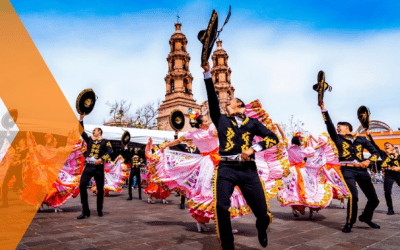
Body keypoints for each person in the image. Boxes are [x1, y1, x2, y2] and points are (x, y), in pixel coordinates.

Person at [202, 61, 279, 249]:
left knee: (262, 212)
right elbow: (212, 97)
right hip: (226, 168)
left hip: (248, 170)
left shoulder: (253, 123)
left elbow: (273, 137)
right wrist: (207, 73)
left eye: (232, 101)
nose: (227, 101)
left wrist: (254, 149)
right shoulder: (220, 119)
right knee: (221, 206)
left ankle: (261, 228)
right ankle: (228, 245)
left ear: (241, 108)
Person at [154, 112, 250, 233]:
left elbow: (178, 141)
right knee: (223, 191)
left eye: (207, 120)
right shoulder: (211, 131)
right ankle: (223, 226)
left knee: (208, 192)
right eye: (205, 121)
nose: (208, 122)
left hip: (205, 163)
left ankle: (201, 221)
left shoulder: (193, 134)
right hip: (215, 161)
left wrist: (166, 145)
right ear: (200, 125)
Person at [319, 102, 380, 233]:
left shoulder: (362, 139)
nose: (337, 128)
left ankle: (365, 217)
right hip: (347, 170)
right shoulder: (337, 138)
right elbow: (328, 124)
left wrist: (368, 161)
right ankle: (349, 223)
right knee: (353, 196)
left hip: (362, 170)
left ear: (347, 127)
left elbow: (376, 153)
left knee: (374, 199)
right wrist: (323, 110)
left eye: (339, 126)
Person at [275, 128, 331, 220]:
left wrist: (277, 125)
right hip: (302, 171)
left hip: (291, 172)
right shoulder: (304, 151)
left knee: (292, 189)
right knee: (307, 188)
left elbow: (283, 135)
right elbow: (315, 148)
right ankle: (310, 208)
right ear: (301, 142)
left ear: (293, 140)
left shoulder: (289, 146)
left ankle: (295, 209)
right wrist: (324, 144)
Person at [78, 114, 113, 219]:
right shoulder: (89, 139)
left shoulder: (105, 141)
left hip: (99, 168)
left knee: (100, 189)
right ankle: (85, 210)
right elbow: (80, 131)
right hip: (88, 166)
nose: (93, 131)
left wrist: (101, 159)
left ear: (100, 132)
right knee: (82, 186)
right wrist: (81, 119)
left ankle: (99, 209)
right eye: (93, 130)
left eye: (95, 130)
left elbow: (110, 152)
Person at [309, 134, 349, 209]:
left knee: (337, 182)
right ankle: (332, 200)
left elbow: (319, 143)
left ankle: (340, 201)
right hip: (328, 166)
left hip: (332, 167)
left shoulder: (333, 144)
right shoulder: (331, 144)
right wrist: (313, 137)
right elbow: (319, 143)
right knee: (331, 183)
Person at [366, 130, 400, 215]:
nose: (386, 146)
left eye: (388, 145)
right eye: (385, 146)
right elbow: (375, 145)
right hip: (388, 174)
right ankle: (390, 209)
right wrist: (369, 136)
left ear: (393, 147)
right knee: (387, 192)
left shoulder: (399, 157)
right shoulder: (383, 154)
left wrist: (398, 168)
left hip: (399, 174)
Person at [170, 130, 200, 209]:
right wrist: (176, 135)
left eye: (191, 140)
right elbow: (176, 144)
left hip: (194, 170)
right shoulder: (185, 147)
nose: (189, 142)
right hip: (186, 171)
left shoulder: (198, 148)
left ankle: (192, 202)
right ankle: (182, 203)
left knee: (193, 186)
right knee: (184, 186)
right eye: (188, 140)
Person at [1, 135, 28, 207]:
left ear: (24, 141)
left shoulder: (26, 150)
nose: (19, 142)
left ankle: (32, 196)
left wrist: (19, 162)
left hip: (18, 169)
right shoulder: (17, 148)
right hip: (12, 167)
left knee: (21, 185)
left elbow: (26, 159)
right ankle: (5, 203)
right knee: (4, 184)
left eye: (21, 141)